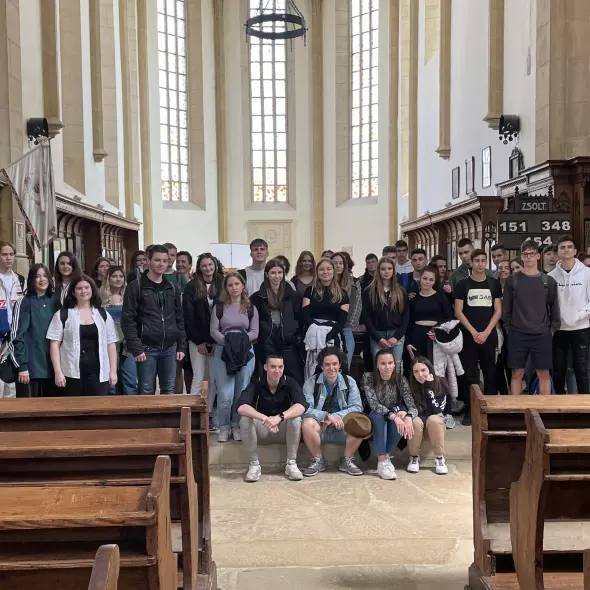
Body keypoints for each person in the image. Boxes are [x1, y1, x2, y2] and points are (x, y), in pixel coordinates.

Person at [121, 244, 187, 395]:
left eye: (165, 260)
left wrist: (181, 346)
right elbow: (128, 320)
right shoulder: (136, 286)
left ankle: (167, 413)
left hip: (170, 346)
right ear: (148, 260)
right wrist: (137, 348)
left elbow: (179, 317)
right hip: (146, 347)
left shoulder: (172, 287)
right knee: (145, 390)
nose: (161, 264)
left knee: (168, 389)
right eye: (157, 260)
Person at [236, 354, 308, 482]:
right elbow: (241, 407)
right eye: (273, 367)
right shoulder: (257, 382)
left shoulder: (290, 382)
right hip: (262, 429)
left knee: (296, 419)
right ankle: (254, 465)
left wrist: (279, 417)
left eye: (280, 367)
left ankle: (291, 464)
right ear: (265, 367)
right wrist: (265, 418)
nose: (277, 370)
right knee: (245, 419)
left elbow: (302, 406)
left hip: (283, 430)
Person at [502, 239, 560, 396]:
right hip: (517, 334)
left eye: (532, 254)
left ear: (538, 256)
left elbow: (554, 308)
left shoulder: (548, 281)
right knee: (517, 373)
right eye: (525, 254)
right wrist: (510, 330)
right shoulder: (512, 281)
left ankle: (543, 409)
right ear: (521, 256)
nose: (528, 257)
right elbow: (506, 309)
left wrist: (551, 330)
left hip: (541, 334)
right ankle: (516, 409)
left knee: (544, 373)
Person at [47, 275, 118, 396]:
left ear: (92, 290)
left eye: (87, 287)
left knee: (98, 406)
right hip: (71, 372)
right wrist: (58, 372)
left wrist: (113, 371)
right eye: (79, 288)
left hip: (98, 373)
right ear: (73, 292)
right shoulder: (63, 314)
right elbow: (54, 344)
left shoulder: (103, 314)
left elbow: (111, 344)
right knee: (73, 406)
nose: (83, 291)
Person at [454, 249, 503, 424]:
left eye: (483, 260)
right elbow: (458, 312)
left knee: (490, 373)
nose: (480, 264)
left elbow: (498, 311)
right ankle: (471, 410)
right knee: (470, 374)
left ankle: (489, 410)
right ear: (471, 263)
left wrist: (486, 331)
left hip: (488, 335)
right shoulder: (463, 284)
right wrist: (474, 332)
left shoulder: (494, 283)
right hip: (469, 336)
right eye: (477, 261)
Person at [210, 272, 259, 442]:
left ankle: (236, 425)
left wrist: (239, 342)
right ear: (226, 288)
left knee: (241, 392)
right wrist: (229, 342)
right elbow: (213, 330)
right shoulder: (219, 307)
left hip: (245, 353)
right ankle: (224, 427)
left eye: (237, 284)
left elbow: (254, 332)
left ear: (243, 286)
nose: (234, 288)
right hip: (224, 352)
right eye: (230, 285)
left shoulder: (251, 308)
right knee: (225, 394)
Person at [301, 347, 364, 477]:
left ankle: (346, 460)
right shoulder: (311, 383)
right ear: (321, 366)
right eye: (327, 364)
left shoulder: (349, 381)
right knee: (307, 423)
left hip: (342, 427)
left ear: (339, 364)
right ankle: (318, 460)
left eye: (334, 364)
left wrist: (334, 417)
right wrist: (326, 416)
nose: (331, 368)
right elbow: (305, 409)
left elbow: (357, 407)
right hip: (320, 428)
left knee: (361, 422)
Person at [362, 349, 415, 480]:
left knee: (402, 420)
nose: (387, 367)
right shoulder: (368, 378)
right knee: (379, 416)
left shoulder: (400, 379)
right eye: (383, 363)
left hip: (393, 413)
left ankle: (384, 459)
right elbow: (374, 404)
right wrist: (393, 416)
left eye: (390, 363)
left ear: (395, 364)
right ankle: (382, 460)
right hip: (373, 415)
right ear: (377, 365)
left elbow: (412, 406)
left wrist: (408, 416)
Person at [548, 236, 590, 395]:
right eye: (562, 247)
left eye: (569, 247)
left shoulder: (587, 273)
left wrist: (578, 316)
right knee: (558, 369)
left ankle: (585, 404)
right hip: (559, 330)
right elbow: (549, 303)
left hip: (582, 328)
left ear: (575, 251)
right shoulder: (551, 276)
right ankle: (559, 403)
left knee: (581, 368)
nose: (566, 250)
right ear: (558, 252)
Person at [251, 259, 303, 384]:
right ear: (267, 274)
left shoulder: (293, 295)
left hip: (288, 340)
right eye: (273, 273)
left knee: (294, 376)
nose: (277, 276)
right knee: (270, 377)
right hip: (267, 340)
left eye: (280, 272)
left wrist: (296, 336)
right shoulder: (257, 297)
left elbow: (300, 317)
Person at [11, 264, 60, 397]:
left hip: (53, 370)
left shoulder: (56, 302)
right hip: (30, 371)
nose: (42, 279)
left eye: (44, 276)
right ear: (32, 279)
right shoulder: (24, 302)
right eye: (37, 276)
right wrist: (22, 366)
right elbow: (16, 336)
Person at [184, 253, 223, 422]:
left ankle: (207, 414)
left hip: (216, 340)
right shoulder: (192, 286)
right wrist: (199, 341)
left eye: (210, 265)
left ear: (215, 265)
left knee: (213, 378)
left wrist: (215, 341)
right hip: (196, 340)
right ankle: (193, 415)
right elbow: (188, 317)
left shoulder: (222, 283)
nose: (208, 268)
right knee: (199, 377)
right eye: (204, 265)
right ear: (199, 268)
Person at [301, 258, 349, 380]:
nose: (325, 272)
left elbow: (343, 318)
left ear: (333, 271)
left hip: (333, 334)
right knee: (314, 368)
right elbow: (305, 313)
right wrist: (315, 330)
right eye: (321, 269)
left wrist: (330, 334)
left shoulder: (342, 293)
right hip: (314, 333)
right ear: (317, 272)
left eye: (328, 269)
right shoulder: (310, 291)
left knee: (332, 368)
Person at [405, 266, 453, 374]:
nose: (427, 282)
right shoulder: (413, 299)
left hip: (435, 336)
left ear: (435, 281)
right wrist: (408, 342)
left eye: (431, 280)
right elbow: (408, 322)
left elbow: (449, 318)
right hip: (416, 336)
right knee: (418, 369)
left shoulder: (441, 297)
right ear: (420, 278)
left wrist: (439, 332)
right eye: (425, 278)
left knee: (435, 370)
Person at [362, 257, 409, 370]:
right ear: (378, 271)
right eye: (383, 269)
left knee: (396, 366)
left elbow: (406, 316)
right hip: (377, 335)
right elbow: (367, 317)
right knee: (380, 367)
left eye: (389, 268)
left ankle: (396, 384)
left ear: (394, 270)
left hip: (396, 334)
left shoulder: (401, 291)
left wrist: (396, 337)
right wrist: (378, 338)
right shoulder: (369, 291)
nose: (386, 272)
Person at [406, 357, 449, 475]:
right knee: (414, 421)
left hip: (435, 417)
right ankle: (414, 457)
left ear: (430, 370)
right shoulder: (410, 384)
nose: (420, 375)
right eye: (415, 372)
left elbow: (437, 410)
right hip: (419, 417)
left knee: (433, 419)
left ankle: (439, 458)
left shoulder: (440, 383)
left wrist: (427, 388)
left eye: (423, 370)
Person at [100, 266, 137, 394]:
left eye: (121, 276)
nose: (118, 279)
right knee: (111, 382)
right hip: (108, 344)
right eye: (114, 276)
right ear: (108, 278)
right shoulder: (99, 298)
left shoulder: (129, 296)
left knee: (130, 380)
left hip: (127, 343)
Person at [0, 241, 25, 399]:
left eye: (11, 254)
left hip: (15, 336)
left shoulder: (20, 280)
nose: (8, 258)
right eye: (4, 254)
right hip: (0, 335)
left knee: (11, 386)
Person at [332, 252, 362, 368]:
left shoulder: (352, 284)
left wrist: (350, 324)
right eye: (335, 263)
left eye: (341, 263)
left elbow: (354, 307)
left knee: (345, 367)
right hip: (330, 328)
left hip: (346, 329)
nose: (338, 265)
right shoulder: (326, 284)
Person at [496, 259, 512, 395]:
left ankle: (514, 394)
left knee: (511, 363)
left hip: (513, 327)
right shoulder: (493, 286)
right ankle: (503, 393)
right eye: (500, 268)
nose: (503, 270)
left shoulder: (515, 285)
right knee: (499, 362)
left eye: (506, 268)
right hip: (497, 326)